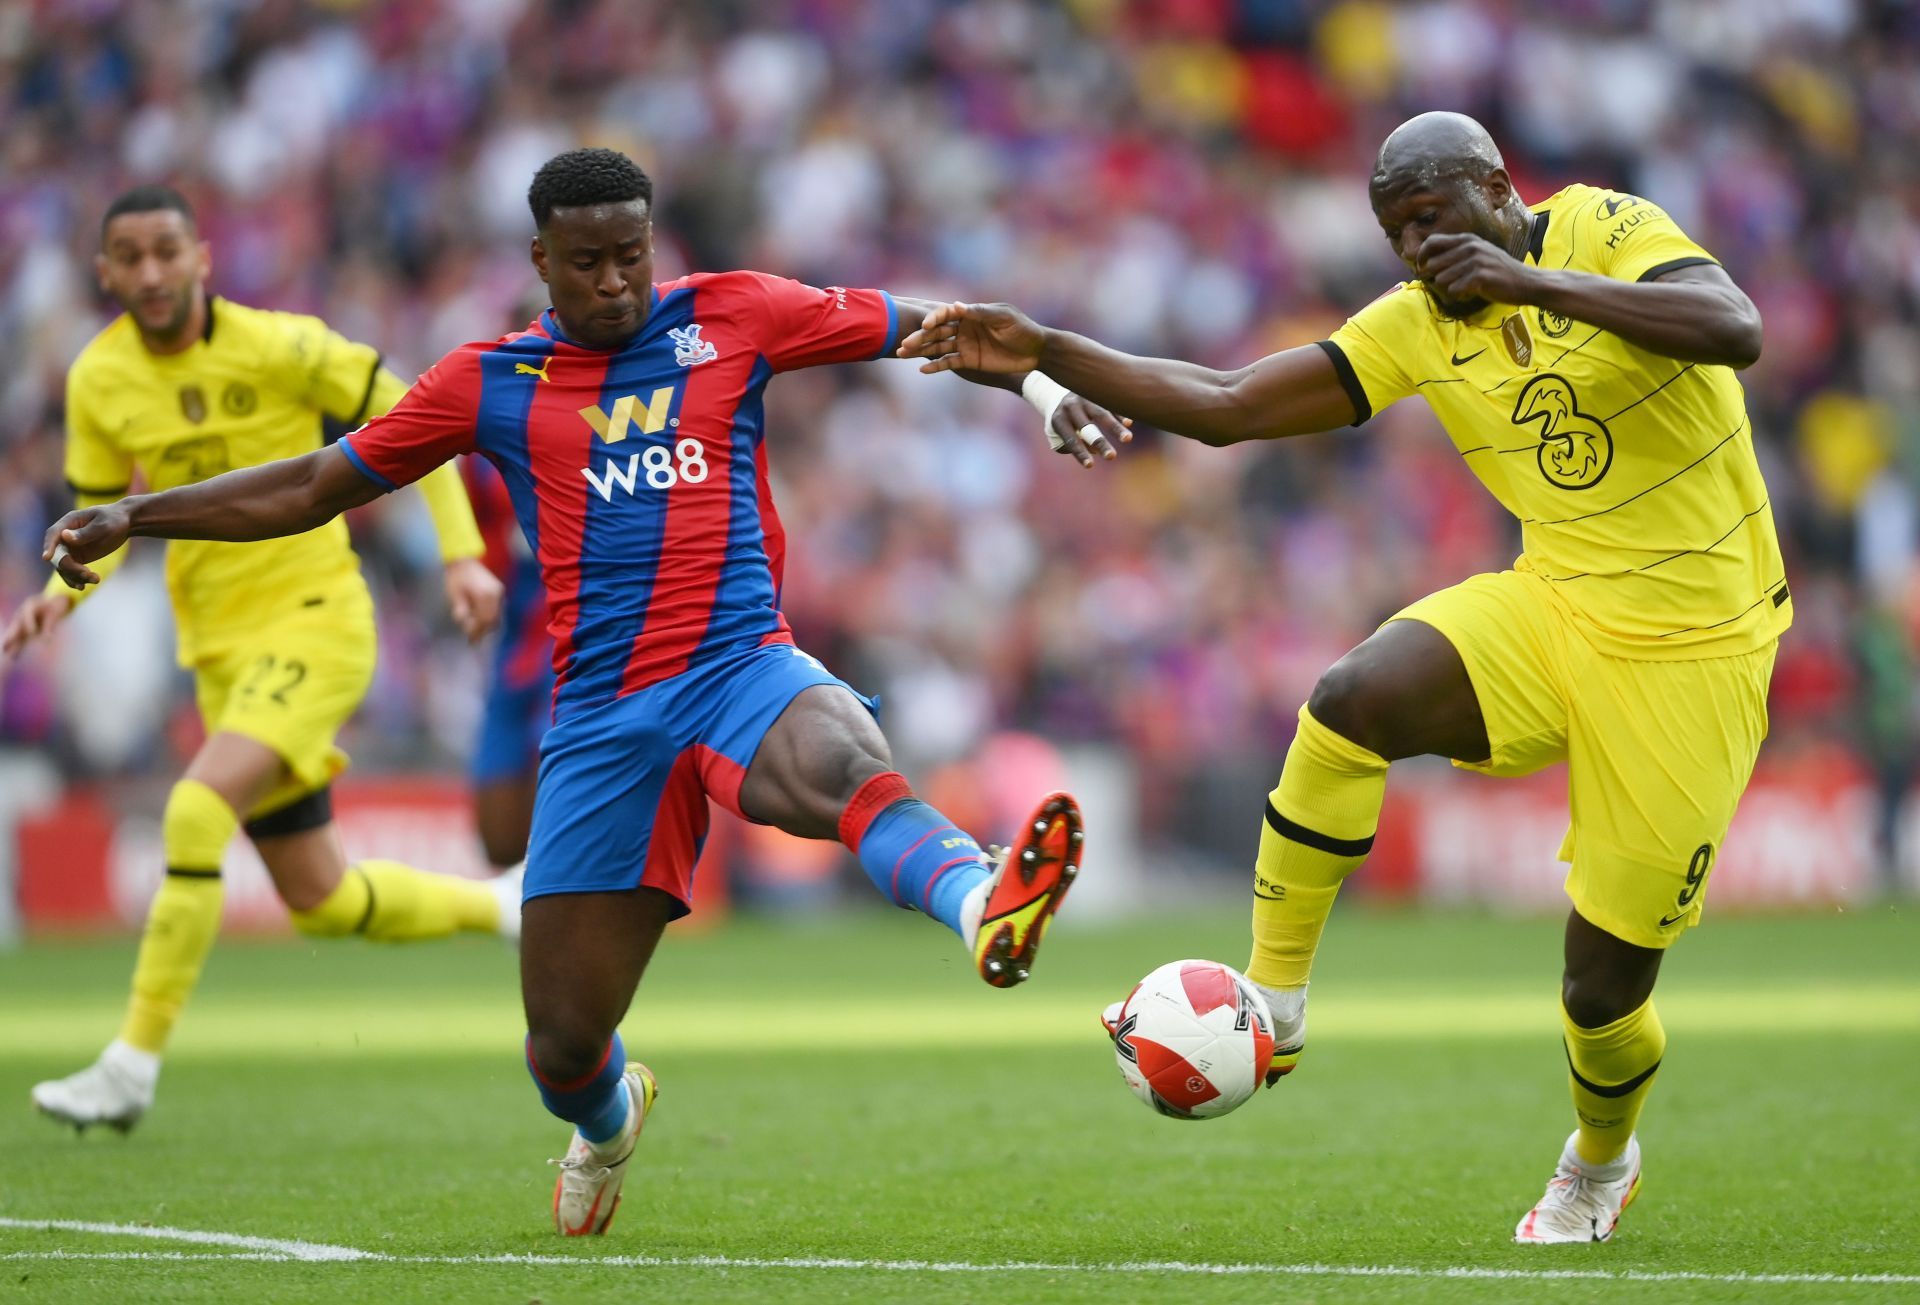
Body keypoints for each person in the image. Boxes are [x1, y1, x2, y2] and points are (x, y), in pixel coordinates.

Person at [42, 148, 1125, 1236]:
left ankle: (982, 902)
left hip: (738, 665)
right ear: (541, 260)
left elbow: (940, 327)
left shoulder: (737, 315)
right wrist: (137, 515)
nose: (615, 282)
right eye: (588, 261)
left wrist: (1039, 386)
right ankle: (608, 1121)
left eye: (632, 256)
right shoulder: (487, 381)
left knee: (841, 755)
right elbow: (317, 481)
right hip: (605, 725)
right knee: (561, 1045)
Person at [902, 111, 1786, 1246]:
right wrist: (1045, 352)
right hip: (1556, 602)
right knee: (1350, 700)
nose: (1419, 248)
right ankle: (1276, 1002)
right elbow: (1225, 406)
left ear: (1498, 190)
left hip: (1697, 648)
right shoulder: (1418, 325)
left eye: (1435, 217)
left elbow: (1735, 326)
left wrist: (1531, 282)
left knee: (1599, 997)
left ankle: (1599, 1162)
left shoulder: (1608, 229)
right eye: (1396, 232)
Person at [6, 184, 518, 1134]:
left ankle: (130, 1062)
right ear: (104, 272)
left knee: (195, 810)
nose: (152, 272)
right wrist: (52, 597)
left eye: (168, 251)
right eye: (131, 257)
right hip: (220, 653)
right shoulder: (97, 380)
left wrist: (460, 553)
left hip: (317, 619)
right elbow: (97, 528)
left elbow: (422, 419)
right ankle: (506, 907)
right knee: (321, 898)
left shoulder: (283, 345)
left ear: (203, 258)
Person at [462, 452, 553, 869]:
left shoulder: (604, 415)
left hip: (584, 639)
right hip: (513, 648)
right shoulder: (479, 453)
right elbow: (477, 533)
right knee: (497, 842)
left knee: (556, 820)